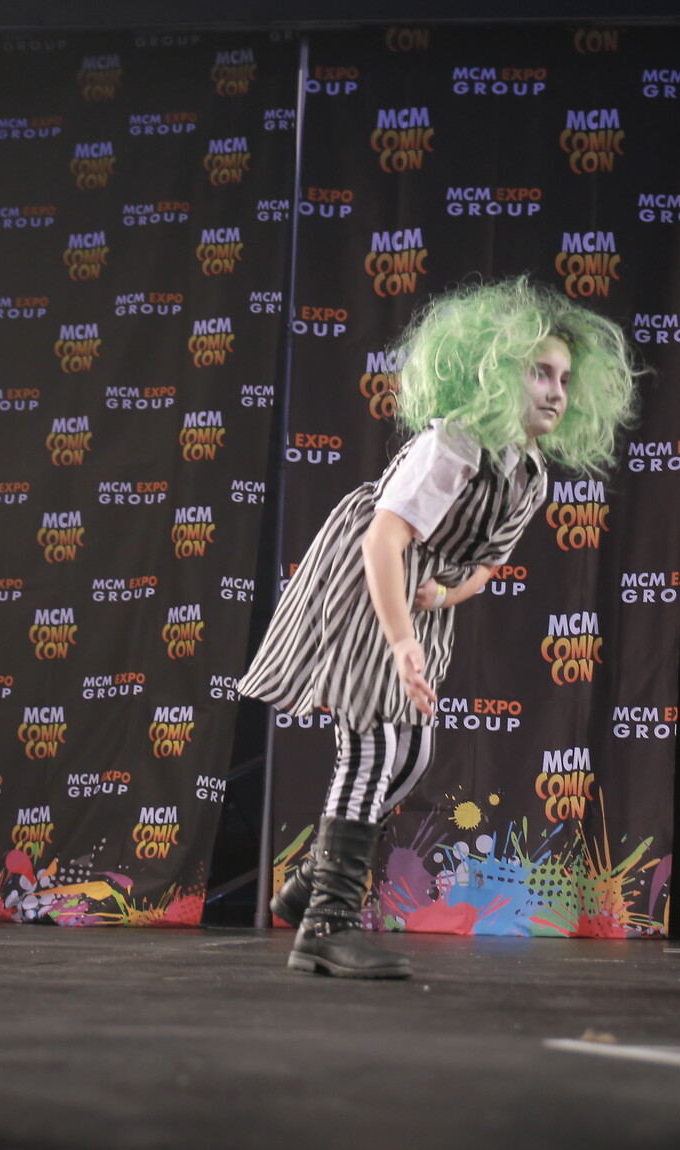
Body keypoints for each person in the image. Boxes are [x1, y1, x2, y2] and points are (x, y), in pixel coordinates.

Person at [237, 277, 639, 978]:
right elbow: (381, 539)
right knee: (370, 749)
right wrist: (398, 641)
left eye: (564, 380)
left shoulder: (529, 473)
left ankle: (308, 885)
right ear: (495, 374)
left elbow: (485, 567)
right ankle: (326, 924)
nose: (555, 392)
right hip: (370, 587)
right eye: (539, 373)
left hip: (420, 602)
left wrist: (447, 593)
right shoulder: (453, 444)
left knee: (413, 757)